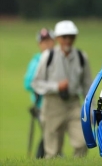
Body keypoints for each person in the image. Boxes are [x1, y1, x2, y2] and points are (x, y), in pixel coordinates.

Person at [31, 20, 92, 158]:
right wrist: (56, 86)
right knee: (52, 150)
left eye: (71, 37)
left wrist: (91, 109)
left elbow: (88, 86)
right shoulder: (48, 56)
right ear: (58, 38)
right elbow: (36, 83)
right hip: (52, 104)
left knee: (82, 142)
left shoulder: (82, 57)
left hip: (73, 104)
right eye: (64, 37)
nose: (68, 40)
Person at [24, 28, 55, 158]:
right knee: (49, 134)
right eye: (43, 42)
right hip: (41, 105)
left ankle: (52, 156)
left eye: (48, 41)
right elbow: (28, 83)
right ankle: (44, 157)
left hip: (57, 103)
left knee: (53, 134)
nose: (46, 44)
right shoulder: (36, 61)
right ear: (39, 44)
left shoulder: (58, 58)